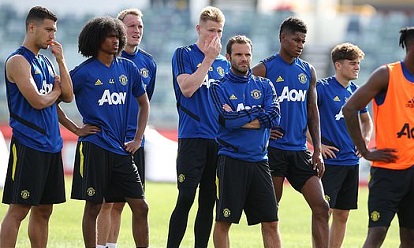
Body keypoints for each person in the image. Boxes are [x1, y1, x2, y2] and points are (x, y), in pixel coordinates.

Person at [342, 26, 414, 248]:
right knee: (376, 235)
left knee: (410, 240)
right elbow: (350, 108)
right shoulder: (386, 75)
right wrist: (365, 150)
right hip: (387, 173)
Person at [58, 16, 150, 248]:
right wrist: (76, 129)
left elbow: (144, 103)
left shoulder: (128, 69)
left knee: (141, 207)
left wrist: (138, 138)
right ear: (96, 40)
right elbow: (54, 101)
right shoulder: (83, 72)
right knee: (94, 206)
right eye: (109, 36)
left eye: (117, 35)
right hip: (95, 147)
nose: (116, 40)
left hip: (121, 150)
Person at [252, 16, 330, 247]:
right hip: (273, 151)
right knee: (270, 213)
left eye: (303, 41)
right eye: (296, 39)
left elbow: (312, 112)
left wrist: (317, 149)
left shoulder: (308, 71)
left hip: (299, 151)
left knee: (322, 207)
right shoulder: (263, 69)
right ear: (282, 38)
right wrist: (263, 127)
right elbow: (245, 103)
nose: (300, 45)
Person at [0, 6, 72, 248]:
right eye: (48, 29)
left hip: (52, 146)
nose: (53, 35)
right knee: (18, 210)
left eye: (55, 30)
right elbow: (39, 101)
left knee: (44, 210)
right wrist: (55, 91)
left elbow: (68, 96)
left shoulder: (47, 62)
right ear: (32, 27)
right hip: (29, 143)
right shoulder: (18, 61)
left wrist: (60, 60)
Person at [209, 35, 281, 248]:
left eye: (247, 54)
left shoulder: (265, 85)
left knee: (271, 222)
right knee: (224, 220)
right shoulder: (218, 86)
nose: (244, 59)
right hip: (231, 160)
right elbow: (226, 121)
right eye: (239, 54)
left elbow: (275, 118)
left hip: (260, 161)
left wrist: (242, 117)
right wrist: (258, 113)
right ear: (228, 56)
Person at [94, 8, 157, 248]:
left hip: (134, 141)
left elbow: (144, 102)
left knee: (125, 202)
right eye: (131, 26)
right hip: (107, 140)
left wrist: (139, 135)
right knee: (104, 202)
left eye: (139, 26)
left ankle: (112, 245)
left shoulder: (148, 62)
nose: (136, 31)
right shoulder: (107, 59)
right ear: (118, 30)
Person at [167, 6, 229, 248]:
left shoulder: (225, 64)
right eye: (210, 30)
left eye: (219, 31)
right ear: (198, 29)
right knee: (185, 197)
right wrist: (208, 59)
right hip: (192, 137)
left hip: (218, 141)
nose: (214, 36)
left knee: (208, 202)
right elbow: (187, 88)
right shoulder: (184, 54)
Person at [315, 43, 372, 248]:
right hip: (330, 162)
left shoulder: (358, 92)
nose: (357, 67)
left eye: (358, 63)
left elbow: (367, 122)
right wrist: (317, 145)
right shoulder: (322, 88)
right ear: (338, 65)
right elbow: (305, 119)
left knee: (343, 214)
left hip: (351, 161)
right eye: (352, 63)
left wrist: (364, 140)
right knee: (324, 212)